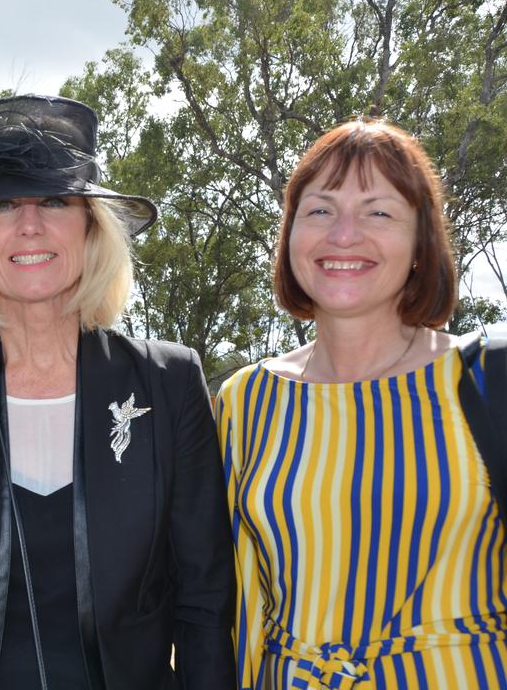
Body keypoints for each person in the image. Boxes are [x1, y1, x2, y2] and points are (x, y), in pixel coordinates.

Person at [0, 94, 235, 689]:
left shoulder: (168, 383)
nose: (29, 225)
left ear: (91, 229)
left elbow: (205, 600)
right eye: (3, 203)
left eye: (56, 201)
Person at [216, 118, 507, 688]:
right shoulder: (244, 399)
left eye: (379, 212)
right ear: (290, 236)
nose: (343, 235)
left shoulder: (488, 378)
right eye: (320, 210)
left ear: (421, 244)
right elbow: (238, 601)